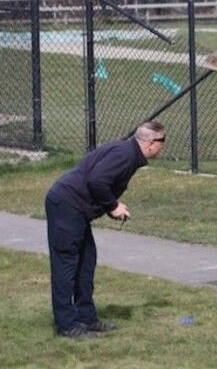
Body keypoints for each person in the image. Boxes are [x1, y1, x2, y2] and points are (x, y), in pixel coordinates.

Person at [45, 121, 166, 339]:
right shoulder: (125, 155)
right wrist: (113, 206)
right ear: (150, 143)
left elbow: (99, 181)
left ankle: (86, 318)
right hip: (67, 205)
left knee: (86, 261)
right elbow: (97, 180)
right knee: (66, 264)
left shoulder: (127, 153)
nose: (163, 147)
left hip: (76, 209)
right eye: (162, 142)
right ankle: (66, 326)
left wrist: (109, 207)